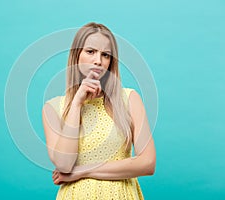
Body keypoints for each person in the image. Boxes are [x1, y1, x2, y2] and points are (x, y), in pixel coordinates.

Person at [42, 22, 156, 200]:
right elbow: (64, 165)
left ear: (111, 62)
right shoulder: (53, 108)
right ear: (76, 55)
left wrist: (83, 171)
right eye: (90, 51)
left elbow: (148, 163)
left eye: (105, 55)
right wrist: (77, 104)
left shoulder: (129, 99)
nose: (98, 60)